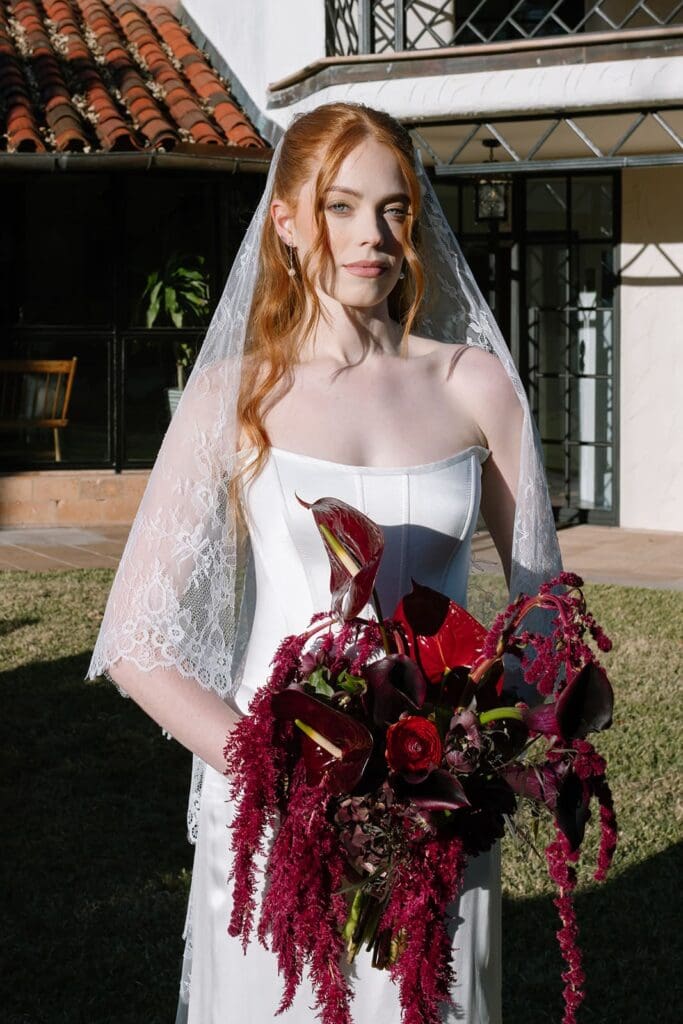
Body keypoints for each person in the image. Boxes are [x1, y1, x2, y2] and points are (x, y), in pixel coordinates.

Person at [87, 102, 561, 1023]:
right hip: (279, 806)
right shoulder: (236, 396)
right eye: (340, 207)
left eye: (393, 210)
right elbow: (135, 641)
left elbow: (539, 604)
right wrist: (286, 776)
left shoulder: (475, 385)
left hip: (438, 800)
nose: (370, 237)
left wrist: (482, 746)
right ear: (287, 220)